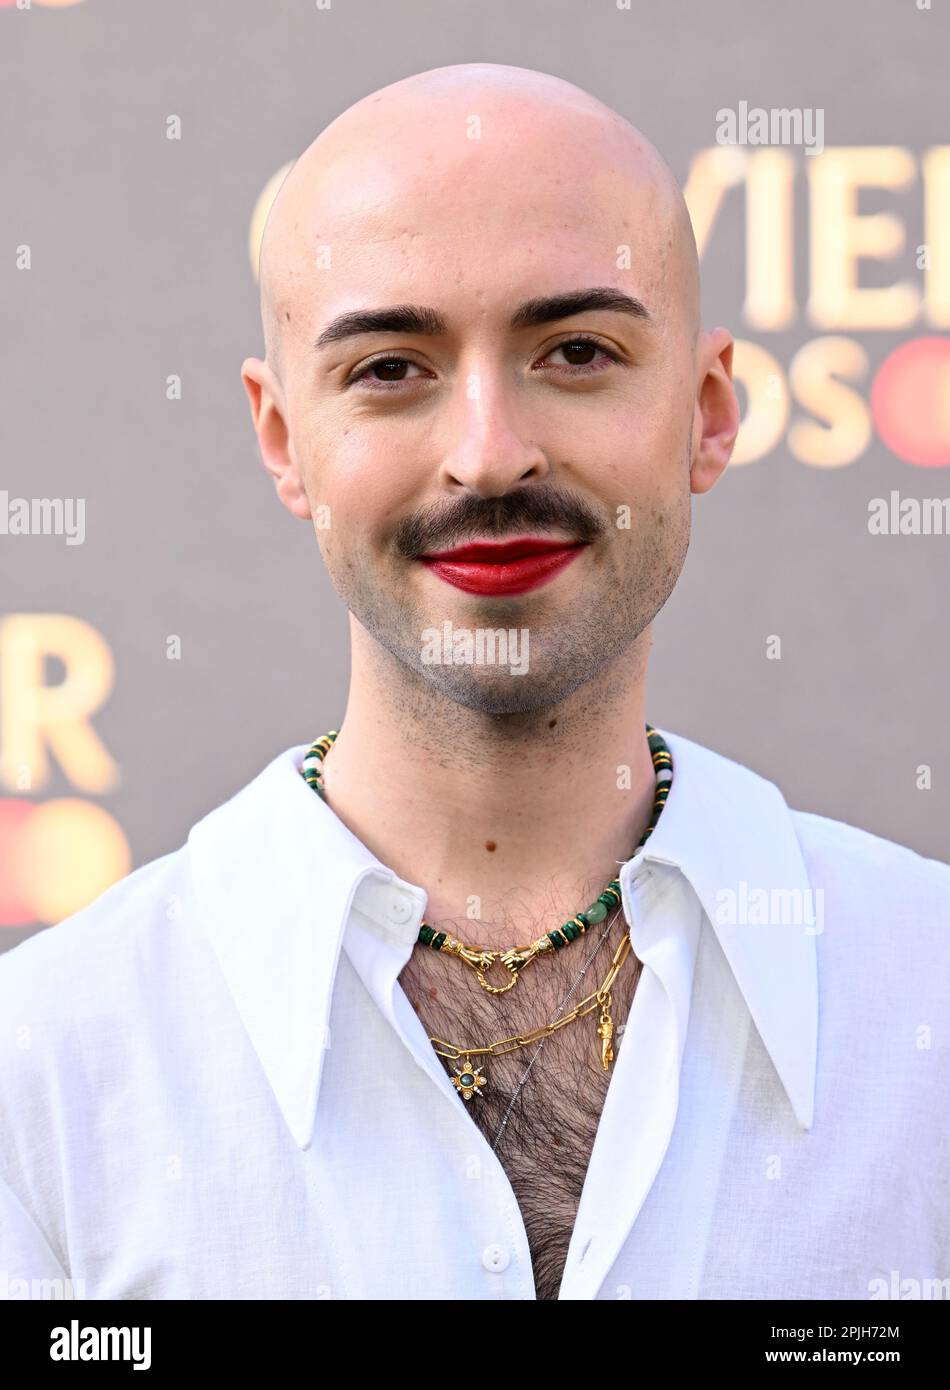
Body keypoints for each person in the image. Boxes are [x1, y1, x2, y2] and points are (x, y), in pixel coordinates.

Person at [1, 62, 948, 1303]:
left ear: (708, 412)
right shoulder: (45, 1068)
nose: (489, 452)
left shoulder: (920, 995)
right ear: (285, 436)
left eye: (575, 349)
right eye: (391, 367)